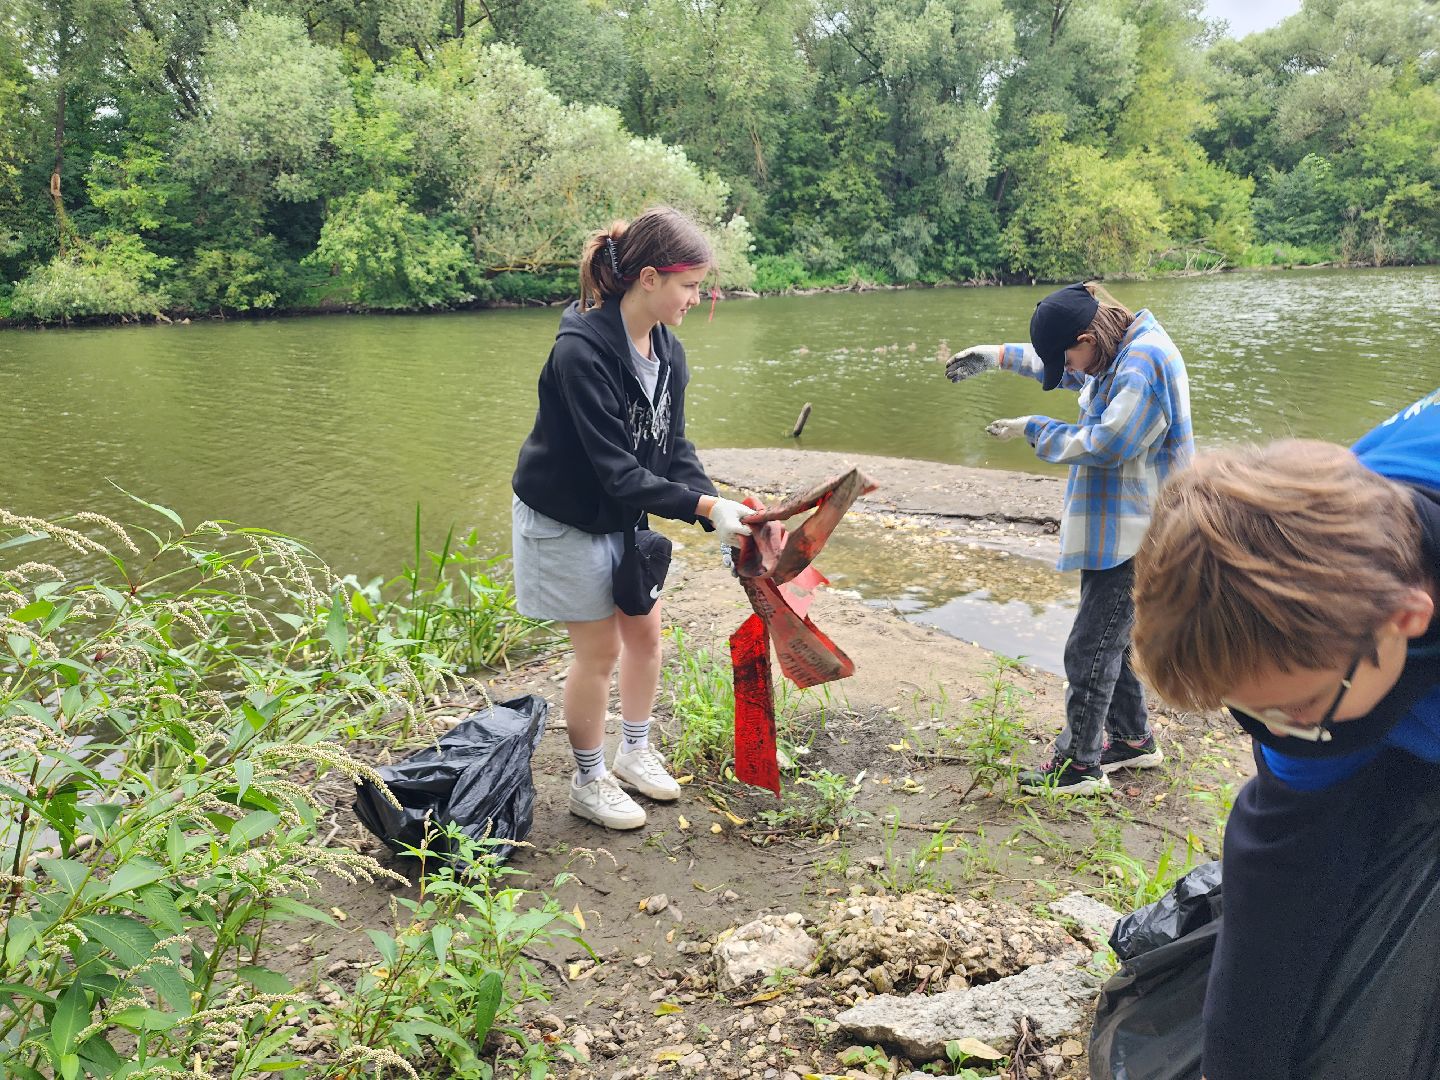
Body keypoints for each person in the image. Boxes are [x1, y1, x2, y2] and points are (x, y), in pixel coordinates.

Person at [1131, 388, 1440, 1080]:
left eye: (1297, 707)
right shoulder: (1328, 589)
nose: (1279, 733)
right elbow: (1278, 883)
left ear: (1406, 618)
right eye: (1250, 712)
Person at [510, 206, 755, 830]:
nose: (697, 299)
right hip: (567, 516)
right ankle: (588, 780)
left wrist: (719, 510)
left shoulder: (668, 349)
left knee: (645, 635)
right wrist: (705, 507)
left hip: (620, 516)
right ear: (649, 278)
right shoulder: (579, 353)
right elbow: (616, 471)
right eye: (689, 285)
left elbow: (673, 448)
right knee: (598, 651)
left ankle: (634, 751)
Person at [945, 282, 1193, 794]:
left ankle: (1079, 765)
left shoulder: (1142, 362)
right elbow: (1067, 369)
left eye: (1069, 359)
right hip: (1119, 525)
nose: (1069, 372)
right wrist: (996, 356)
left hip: (1137, 533)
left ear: (1087, 339)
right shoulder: (1115, 348)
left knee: (1088, 650)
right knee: (1110, 642)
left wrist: (1033, 428)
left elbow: (1107, 444)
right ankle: (1132, 739)